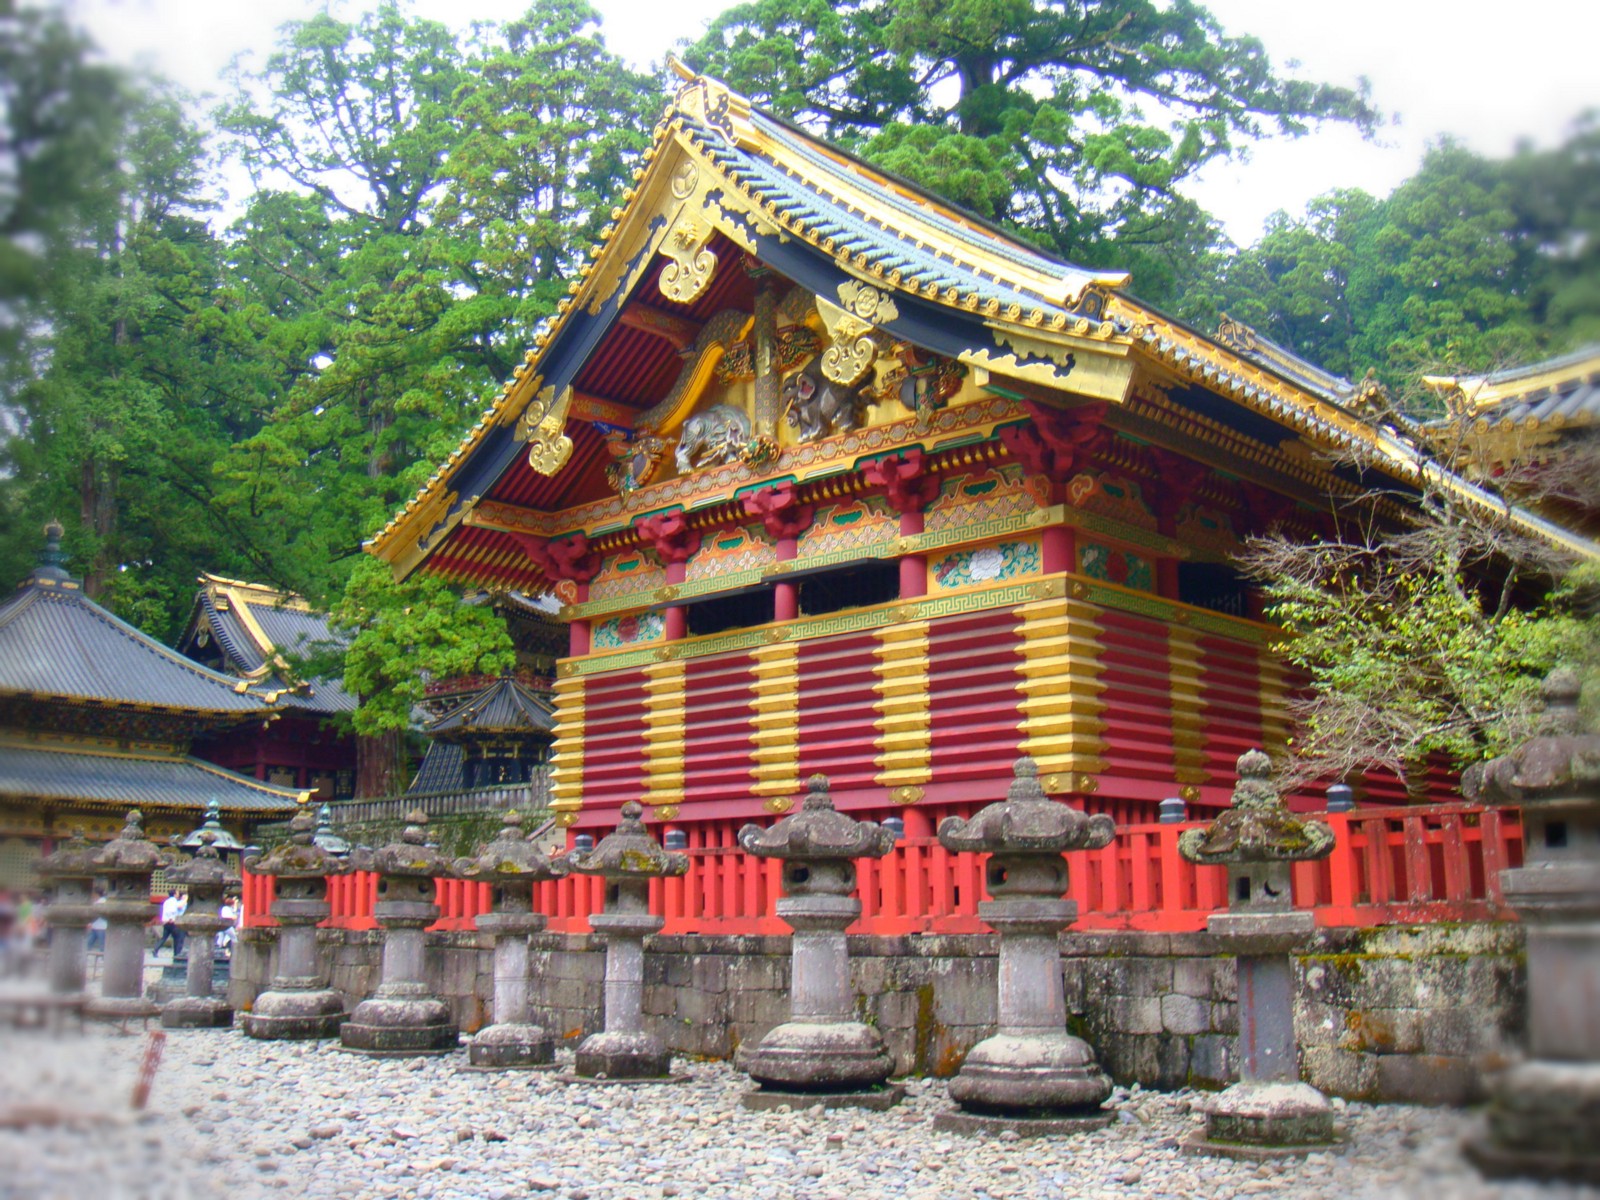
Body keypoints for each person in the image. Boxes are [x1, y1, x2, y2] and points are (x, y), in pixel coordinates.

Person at [153, 891, 186, 958]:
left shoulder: (167, 901)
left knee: (164, 937)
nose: (178, 894)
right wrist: (171, 918)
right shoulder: (173, 901)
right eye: (177, 893)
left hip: (166, 922)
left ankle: (156, 949)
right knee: (177, 938)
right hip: (172, 922)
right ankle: (177, 953)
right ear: (174, 894)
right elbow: (173, 910)